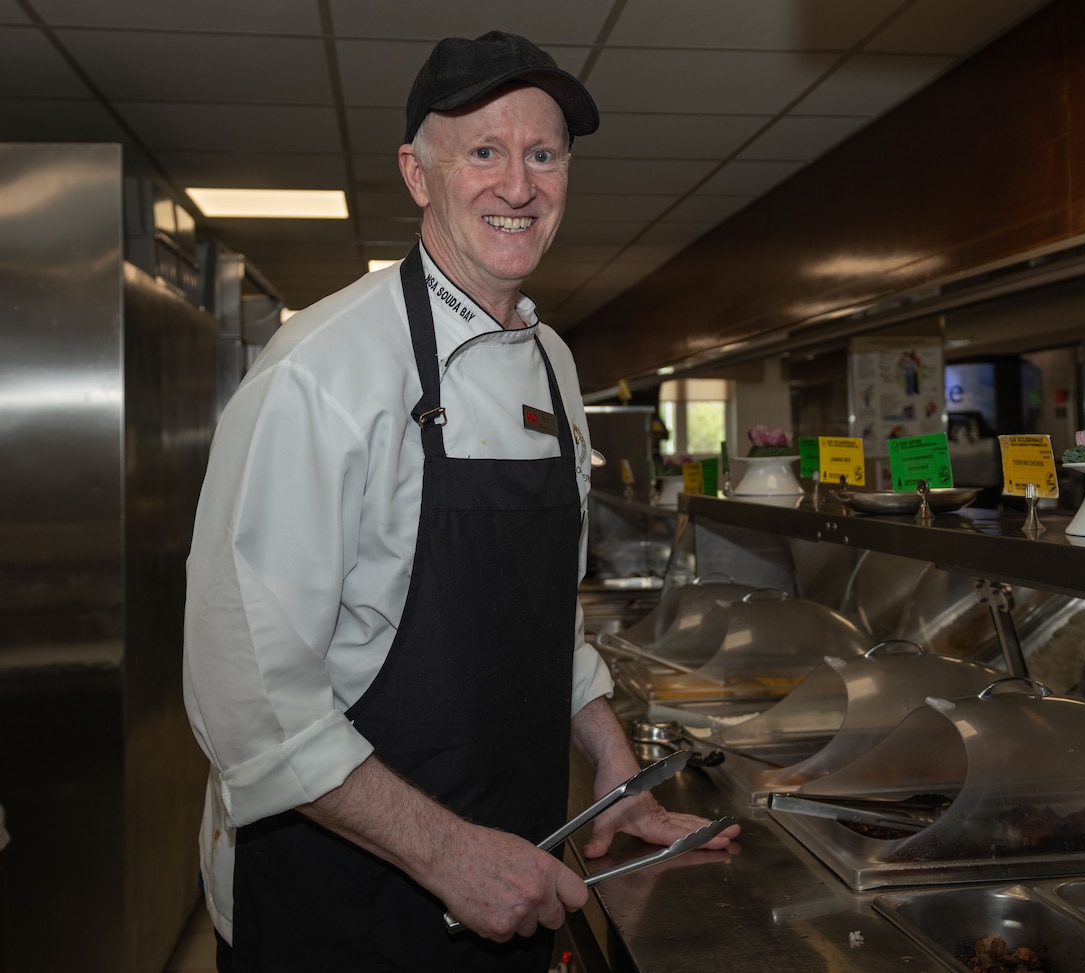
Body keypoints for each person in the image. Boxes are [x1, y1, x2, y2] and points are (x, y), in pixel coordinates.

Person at [183, 30, 738, 972]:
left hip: (513, 884)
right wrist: (447, 853)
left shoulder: (556, 367)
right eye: (482, 151)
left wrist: (610, 762)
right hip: (340, 905)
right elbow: (247, 698)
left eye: (543, 154)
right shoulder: (321, 371)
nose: (517, 186)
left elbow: (537, 620)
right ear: (416, 172)